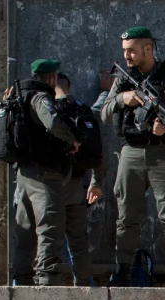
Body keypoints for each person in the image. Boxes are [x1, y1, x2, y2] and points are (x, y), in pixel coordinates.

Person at [101, 26, 165, 288]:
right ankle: (122, 271)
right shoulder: (123, 79)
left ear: (148, 48)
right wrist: (123, 99)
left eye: (131, 50)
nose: (127, 56)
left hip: (164, 154)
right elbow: (104, 112)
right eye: (124, 51)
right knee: (126, 215)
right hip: (131, 153)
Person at [10, 59, 79, 287]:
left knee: (25, 230)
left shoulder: (18, 96)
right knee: (50, 227)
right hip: (45, 173)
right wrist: (72, 138)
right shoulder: (40, 98)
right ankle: (47, 279)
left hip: (23, 173)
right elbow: (52, 123)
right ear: (51, 78)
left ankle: (21, 279)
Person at [53, 72, 104, 287]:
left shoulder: (46, 111)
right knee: (78, 242)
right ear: (69, 85)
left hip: (48, 185)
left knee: (45, 239)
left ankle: (40, 286)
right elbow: (96, 114)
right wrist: (96, 181)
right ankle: (85, 286)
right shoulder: (81, 110)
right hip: (76, 185)